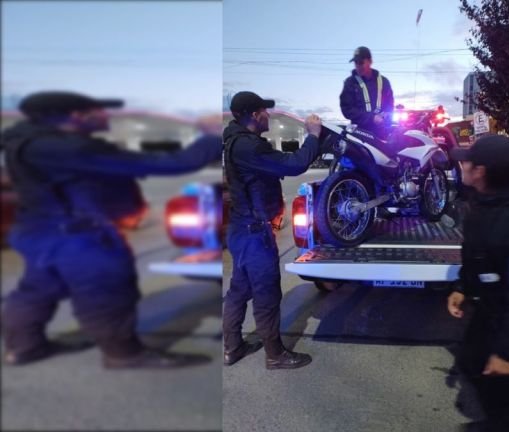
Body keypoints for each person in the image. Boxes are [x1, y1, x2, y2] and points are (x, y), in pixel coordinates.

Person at [1, 90, 222, 368]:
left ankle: (23, 347)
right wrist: (212, 135)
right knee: (107, 293)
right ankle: (124, 355)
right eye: (100, 110)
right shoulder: (69, 149)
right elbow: (172, 163)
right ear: (77, 116)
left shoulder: (25, 141)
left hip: (40, 230)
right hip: (79, 236)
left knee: (37, 288)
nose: (107, 115)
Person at [446, 135, 509, 432]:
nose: (461, 163)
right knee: (471, 363)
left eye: (469, 160)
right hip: (489, 310)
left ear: (482, 171)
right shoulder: (486, 202)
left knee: (503, 398)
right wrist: (463, 287)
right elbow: (479, 257)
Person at [221, 91, 326, 369]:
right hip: (254, 233)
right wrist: (313, 135)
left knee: (239, 290)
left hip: (241, 229)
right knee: (267, 293)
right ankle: (275, 355)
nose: (268, 114)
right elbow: (294, 165)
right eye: (264, 111)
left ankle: (232, 347)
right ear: (255, 115)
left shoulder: (234, 141)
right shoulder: (248, 147)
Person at [339, 46, 394, 139]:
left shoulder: (384, 81)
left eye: (361, 62)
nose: (358, 66)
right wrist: (371, 118)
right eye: (356, 63)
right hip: (359, 134)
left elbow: (390, 104)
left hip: (381, 133)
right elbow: (347, 109)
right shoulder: (350, 83)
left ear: (370, 61)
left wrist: (386, 115)